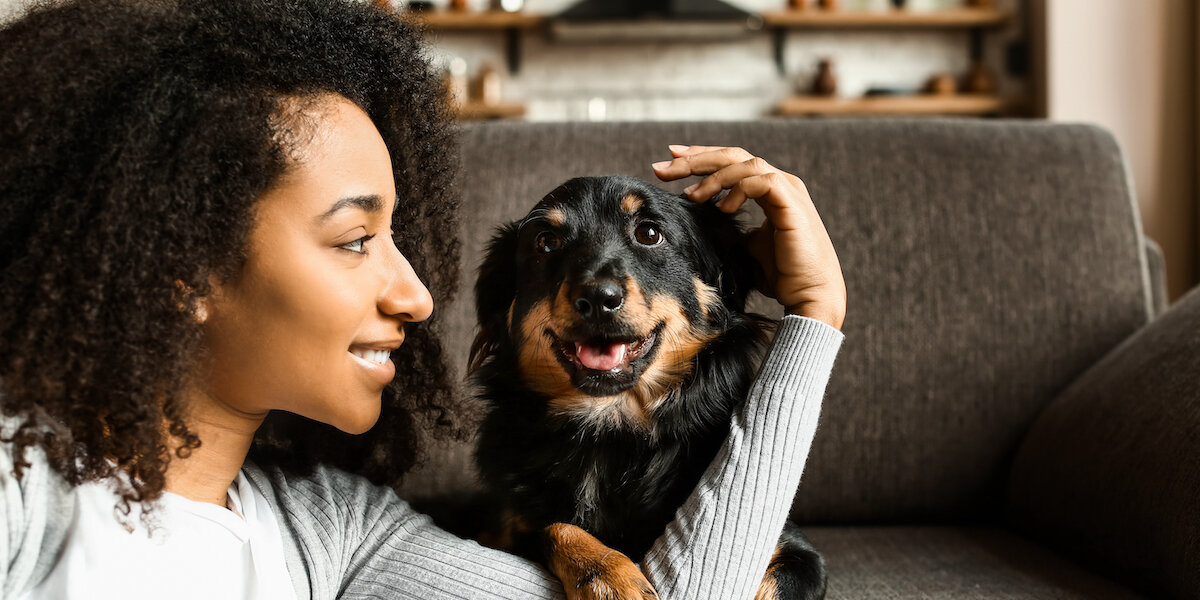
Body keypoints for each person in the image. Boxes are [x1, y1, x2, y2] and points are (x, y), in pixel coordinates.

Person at [0, 1, 846, 599]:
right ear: (181, 265)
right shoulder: (22, 486)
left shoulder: (339, 531)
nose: (415, 294)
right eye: (355, 239)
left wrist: (813, 322)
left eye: (400, 239)